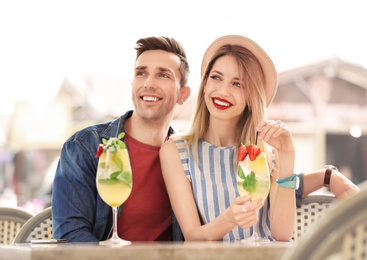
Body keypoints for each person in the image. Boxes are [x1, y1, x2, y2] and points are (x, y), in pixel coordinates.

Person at [52, 36, 191, 242]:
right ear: (133, 85)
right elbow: (71, 234)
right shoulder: (85, 147)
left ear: (183, 95)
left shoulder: (189, 156)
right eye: (141, 73)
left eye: (163, 75)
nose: (149, 83)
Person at [160, 35, 297, 241]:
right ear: (204, 84)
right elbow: (192, 237)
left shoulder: (268, 152)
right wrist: (229, 219)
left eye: (238, 84)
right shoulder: (176, 151)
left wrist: (287, 155)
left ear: (251, 96)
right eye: (216, 77)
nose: (223, 91)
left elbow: (282, 234)